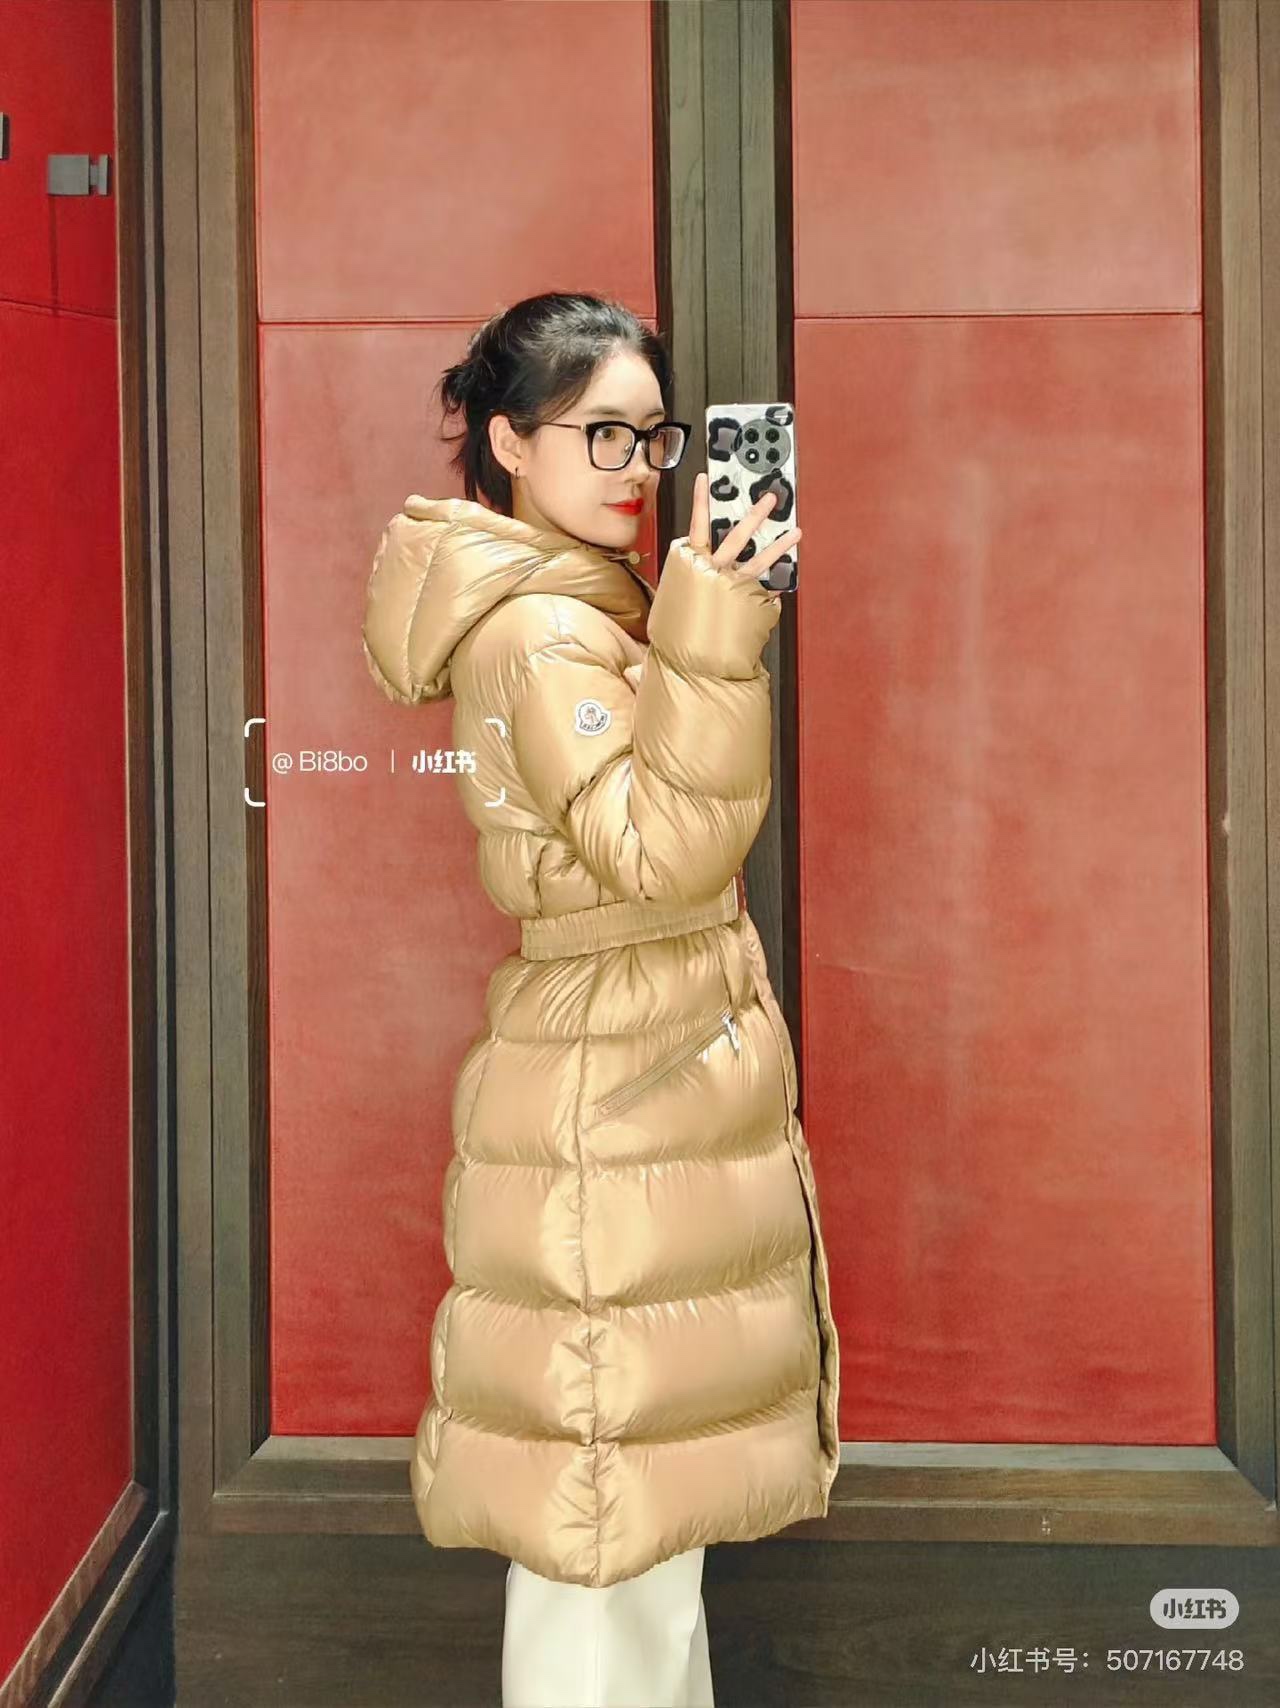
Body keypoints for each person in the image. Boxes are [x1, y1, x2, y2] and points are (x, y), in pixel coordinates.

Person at [362, 292, 840, 1708]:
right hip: (615, 1076)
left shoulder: (589, 607)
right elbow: (665, 849)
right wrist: (718, 628)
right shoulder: (538, 634)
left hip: (642, 1057)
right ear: (510, 441)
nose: (637, 467)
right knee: (600, 1518)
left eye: (653, 435)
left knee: (643, 1516)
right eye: (601, 435)